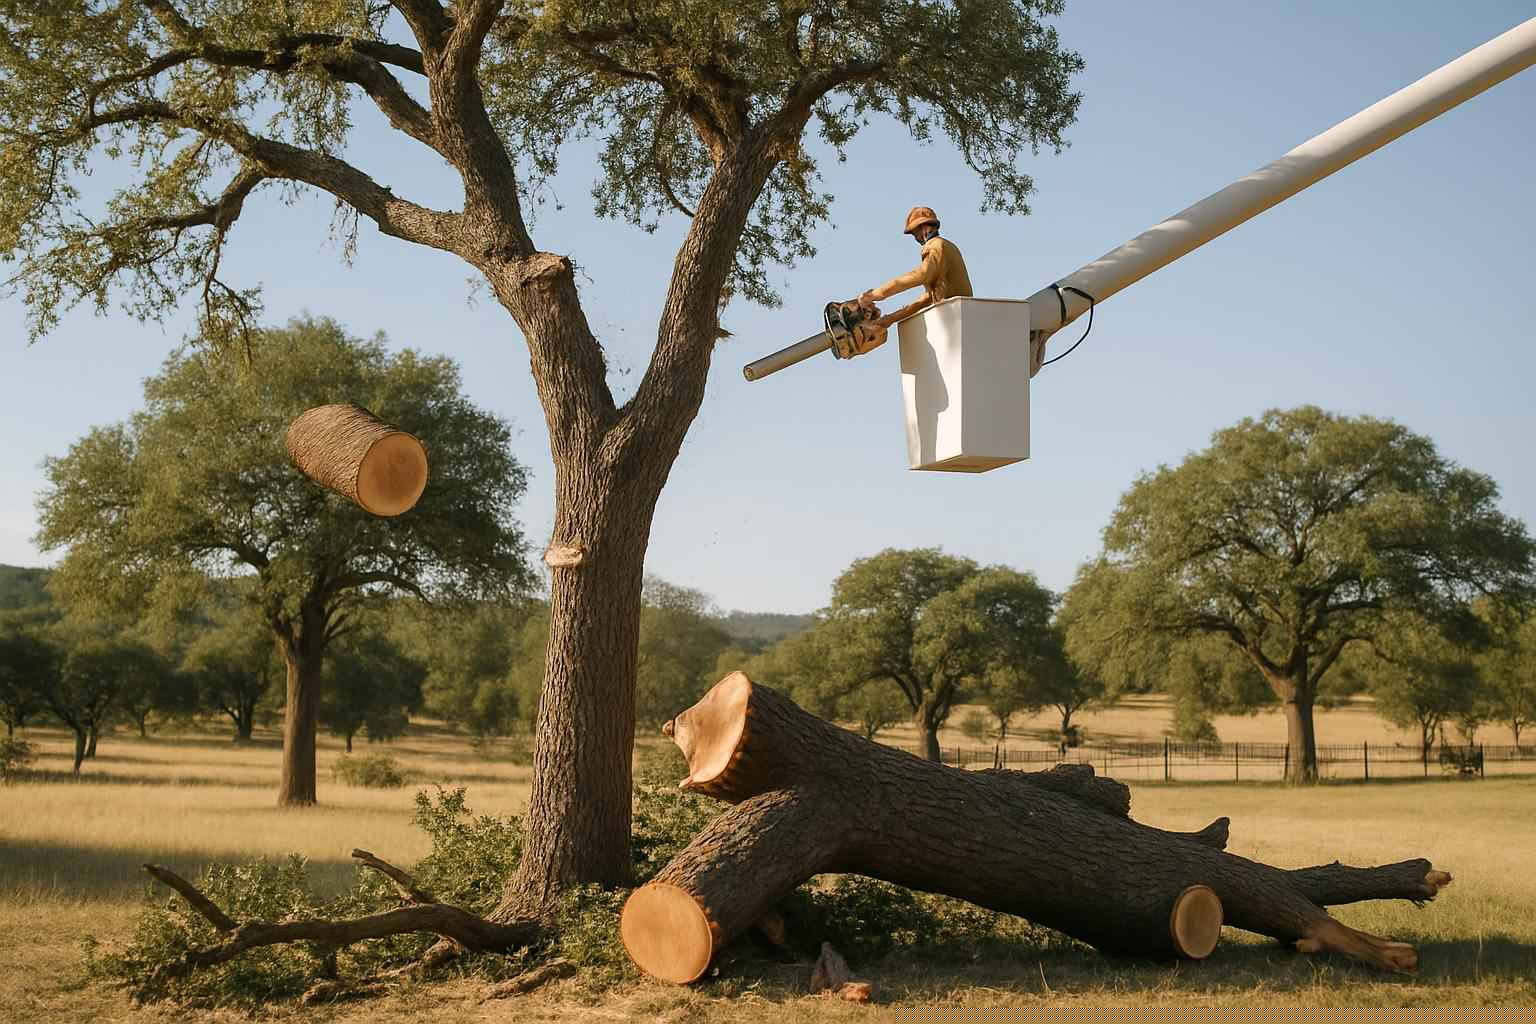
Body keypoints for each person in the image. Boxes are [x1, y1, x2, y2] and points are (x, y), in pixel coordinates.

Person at [829, 206, 974, 359]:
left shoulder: (936, 246)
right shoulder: (943, 247)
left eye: (915, 232)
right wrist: (890, 319)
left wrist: (874, 295)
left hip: (956, 316)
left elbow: (920, 275)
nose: (916, 238)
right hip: (956, 316)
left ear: (924, 227)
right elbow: (927, 298)